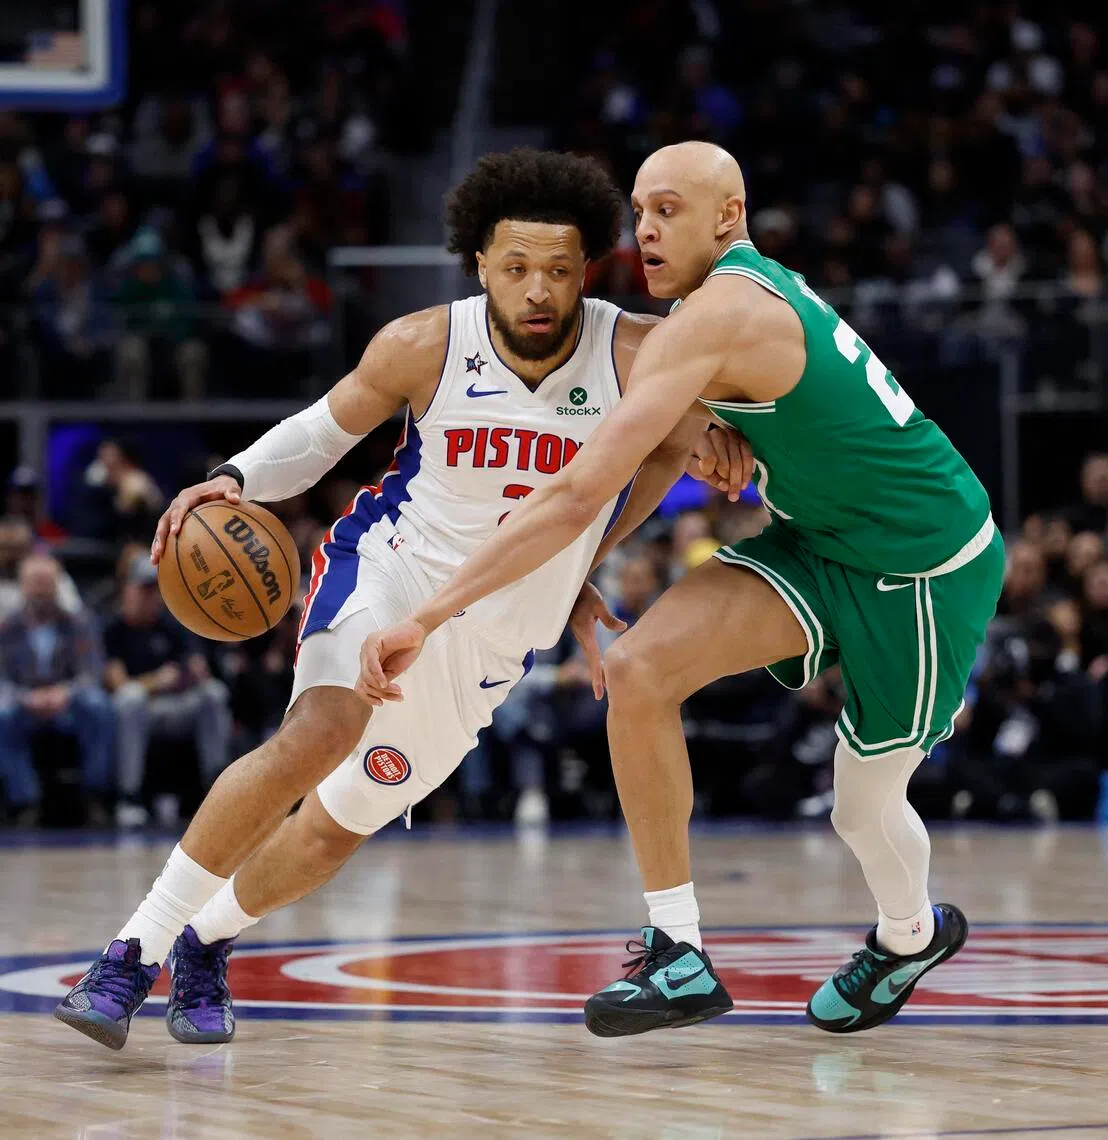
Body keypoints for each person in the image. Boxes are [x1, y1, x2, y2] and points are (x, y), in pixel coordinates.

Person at [53, 148, 751, 1051]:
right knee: (319, 733)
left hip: (501, 630)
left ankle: (204, 940)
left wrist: (701, 458)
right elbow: (322, 432)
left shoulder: (639, 352)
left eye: (559, 270)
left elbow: (669, 455)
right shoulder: (424, 343)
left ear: (589, 269)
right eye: (515, 268)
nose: (537, 290)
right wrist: (231, 479)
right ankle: (128, 957)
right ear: (478, 264)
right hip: (391, 569)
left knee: (333, 832)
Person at [358, 141, 1005, 1038]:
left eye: (668, 210)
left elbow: (582, 489)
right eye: (640, 210)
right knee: (638, 669)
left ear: (728, 218)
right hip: (820, 540)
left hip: (926, 562)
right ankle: (679, 951)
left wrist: (428, 613)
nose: (645, 230)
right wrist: (602, 548)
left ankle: (910, 935)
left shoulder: (720, 315)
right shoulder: (705, 314)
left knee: (864, 808)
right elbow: (664, 452)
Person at [104, 555, 232, 828]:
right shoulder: (114, 628)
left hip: (177, 706)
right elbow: (118, 684)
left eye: (154, 590)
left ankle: (219, 791)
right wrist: (155, 681)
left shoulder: (173, 625)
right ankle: (130, 797)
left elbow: (197, 668)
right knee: (130, 699)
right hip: (140, 711)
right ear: (127, 590)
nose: (149, 597)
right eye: (143, 589)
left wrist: (194, 674)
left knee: (214, 693)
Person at [0, 555, 114, 826]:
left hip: (69, 706)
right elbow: (2, 679)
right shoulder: (7, 627)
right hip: (24, 707)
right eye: (34, 583)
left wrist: (64, 693)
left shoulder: (79, 622)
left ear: (57, 585)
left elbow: (92, 671)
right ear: (22, 585)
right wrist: (26, 697)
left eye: (46, 583)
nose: (40, 590)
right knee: (3, 715)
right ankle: (25, 802)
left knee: (98, 705)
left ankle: (94, 796)